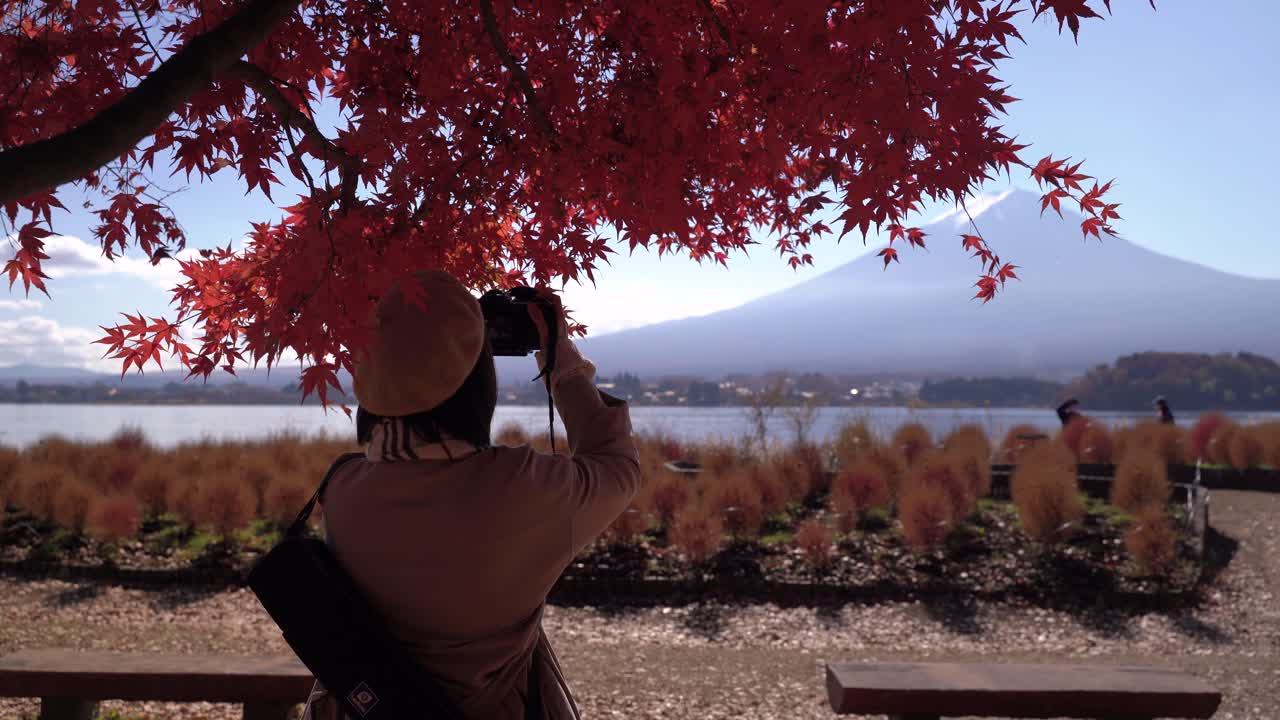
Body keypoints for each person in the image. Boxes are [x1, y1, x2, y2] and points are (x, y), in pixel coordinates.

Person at [302, 271, 641, 720]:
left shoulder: (343, 489)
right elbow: (616, 465)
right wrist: (562, 360)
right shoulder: (522, 487)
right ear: (478, 380)